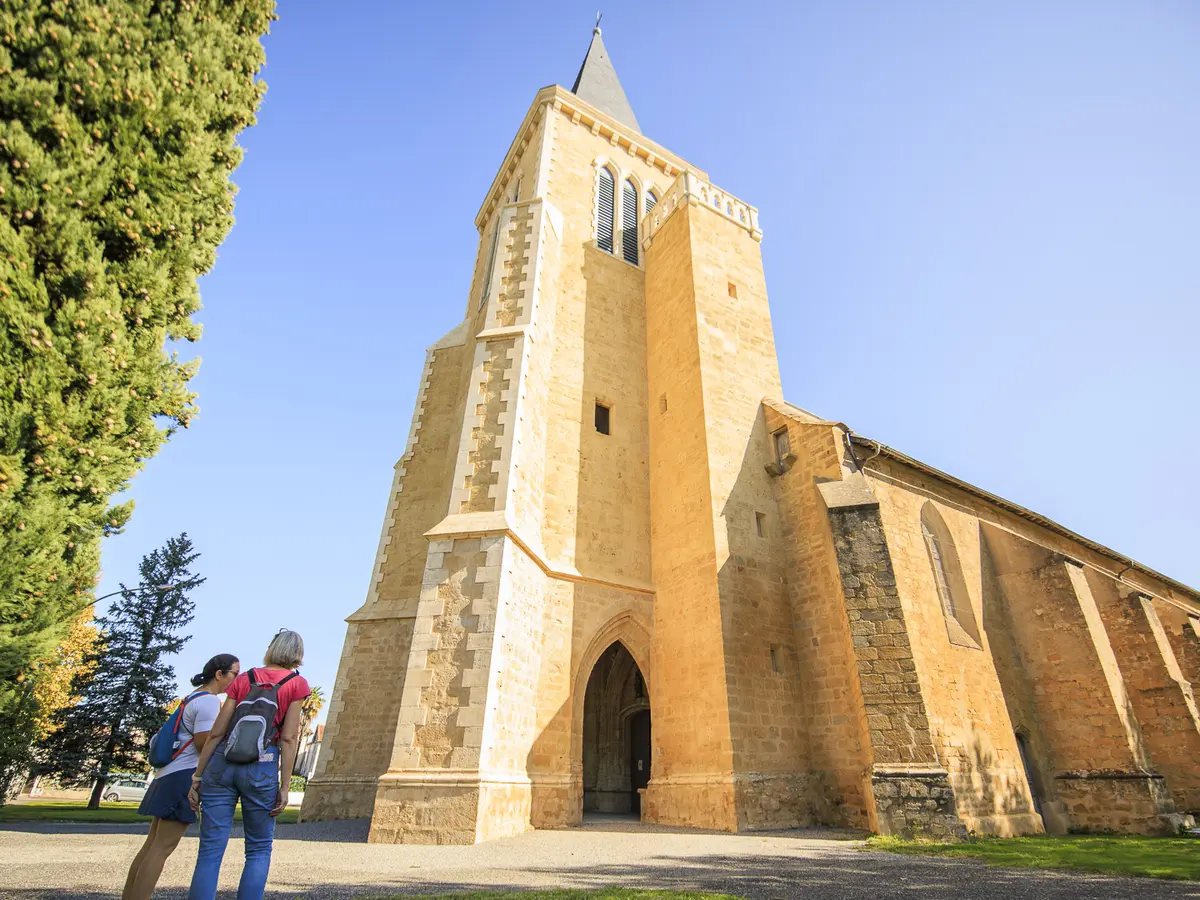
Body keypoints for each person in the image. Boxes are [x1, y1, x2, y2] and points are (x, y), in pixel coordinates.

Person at [187, 630, 309, 900]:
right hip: (262, 764)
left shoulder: (245, 678)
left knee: (209, 850)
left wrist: (197, 776)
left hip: (223, 762)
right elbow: (288, 738)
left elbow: (217, 732)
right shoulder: (295, 684)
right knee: (258, 849)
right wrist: (285, 785)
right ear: (298, 654)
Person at [122, 653, 240, 900]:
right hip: (184, 776)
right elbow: (202, 743)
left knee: (152, 845)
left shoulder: (192, 697)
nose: (236, 680)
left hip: (168, 773)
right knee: (162, 848)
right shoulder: (209, 702)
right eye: (234, 674)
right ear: (219, 674)